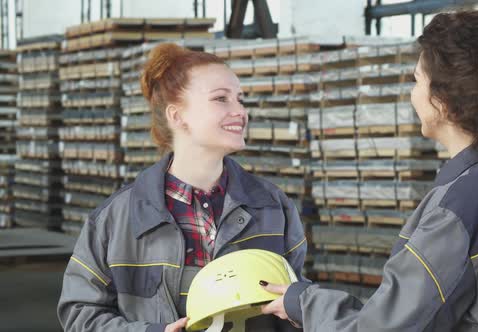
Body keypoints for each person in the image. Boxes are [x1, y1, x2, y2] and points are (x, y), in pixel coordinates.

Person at [261, 10, 478, 331]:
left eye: (417, 81)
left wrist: (303, 301)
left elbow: (382, 327)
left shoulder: (457, 208)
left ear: (444, 101)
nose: (412, 94)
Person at [57, 43, 307, 332]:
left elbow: (298, 299)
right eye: (221, 99)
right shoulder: (116, 220)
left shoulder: (274, 208)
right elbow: (80, 313)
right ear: (177, 116)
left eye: (240, 99)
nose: (240, 111)